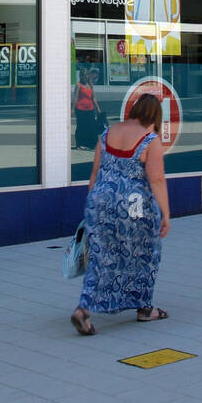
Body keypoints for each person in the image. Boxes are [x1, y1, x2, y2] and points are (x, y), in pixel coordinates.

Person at [70, 93, 170, 335]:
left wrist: (92, 206)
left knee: (100, 257)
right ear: (155, 116)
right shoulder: (149, 139)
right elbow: (156, 179)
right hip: (134, 207)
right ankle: (144, 308)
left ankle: (84, 308)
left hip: (101, 201)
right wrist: (166, 214)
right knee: (145, 254)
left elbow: (94, 173)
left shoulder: (107, 133)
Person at [72, 66, 99, 150]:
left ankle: (92, 144)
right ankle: (79, 144)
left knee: (92, 127)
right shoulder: (78, 85)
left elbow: (93, 98)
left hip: (90, 109)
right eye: (83, 75)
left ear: (88, 75)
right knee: (81, 127)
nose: (85, 76)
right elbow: (75, 97)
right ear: (80, 76)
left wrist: (98, 108)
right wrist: (72, 109)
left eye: (86, 75)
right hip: (80, 109)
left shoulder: (90, 85)